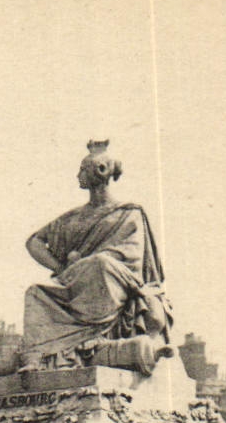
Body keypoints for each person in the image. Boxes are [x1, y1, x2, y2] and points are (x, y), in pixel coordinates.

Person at [21, 140, 171, 369]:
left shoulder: (129, 213)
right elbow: (34, 242)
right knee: (35, 293)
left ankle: (89, 342)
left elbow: (131, 258)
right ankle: (41, 355)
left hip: (112, 281)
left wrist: (86, 262)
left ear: (100, 171)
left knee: (100, 264)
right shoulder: (73, 217)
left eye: (82, 169)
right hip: (76, 283)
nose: (77, 175)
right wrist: (61, 268)